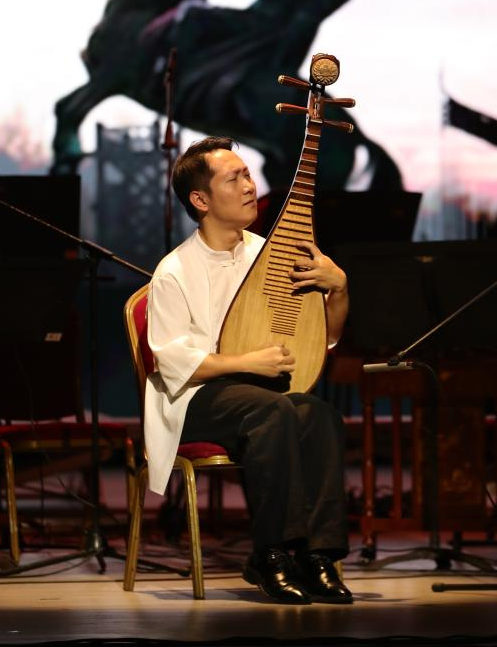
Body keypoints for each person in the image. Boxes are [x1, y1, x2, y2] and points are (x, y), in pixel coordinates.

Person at [145, 135, 353, 605]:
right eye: (233, 179)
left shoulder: (271, 255)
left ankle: (318, 556)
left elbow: (324, 337)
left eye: (247, 175)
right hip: (194, 401)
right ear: (200, 200)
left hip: (259, 395)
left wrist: (338, 289)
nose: (248, 186)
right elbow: (172, 361)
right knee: (272, 412)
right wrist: (244, 362)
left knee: (318, 415)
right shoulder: (174, 271)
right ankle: (272, 553)